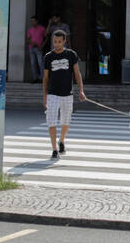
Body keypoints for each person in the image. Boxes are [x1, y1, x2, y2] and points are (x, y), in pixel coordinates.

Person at [42, 29, 86, 160]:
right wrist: (44, 95)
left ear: (64, 41)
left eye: (59, 42)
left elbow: (77, 74)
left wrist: (81, 90)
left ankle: (61, 140)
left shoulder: (71, 55)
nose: (56, 44)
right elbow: (45, 78)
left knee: (66, 121)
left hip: (67, 94)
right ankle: (54, 149)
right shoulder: (48, 57)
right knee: (51, 122)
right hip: (52, 94)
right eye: (55, 41)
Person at [25, 15, 46, 83]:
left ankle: (42, 78)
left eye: (34, 21)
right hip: (31, 48)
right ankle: (35, 78)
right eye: (32, 21)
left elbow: (46, 38)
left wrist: (42, 46)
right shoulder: (30, 30)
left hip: (39, 48)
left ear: (37, 21)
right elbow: (27, 40)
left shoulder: (42, 28)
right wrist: (31, 42)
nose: (32, 22)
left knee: (40, 63)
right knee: (33, 64)